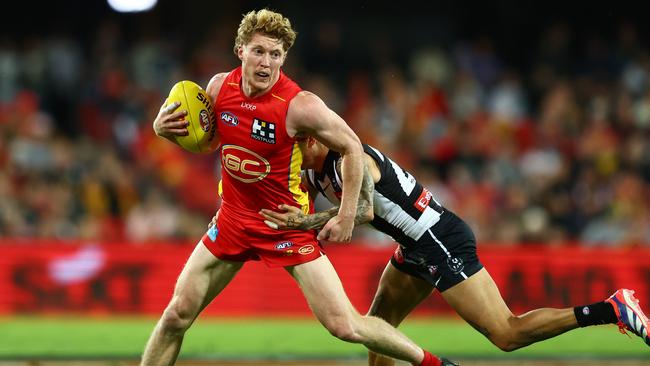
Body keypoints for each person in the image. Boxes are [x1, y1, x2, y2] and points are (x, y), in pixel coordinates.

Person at [144, 9, 456, 366]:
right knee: (175, 316)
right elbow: (215, 141)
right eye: (259, 51)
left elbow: (352, 146)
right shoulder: (217, 88)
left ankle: (434, 364)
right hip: (231, 219)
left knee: (345, 325)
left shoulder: (299, 105)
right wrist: (162, 129)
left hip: (284, 226)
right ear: (240, 50)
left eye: (275, 54)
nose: (267, 63)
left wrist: (346, 214)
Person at [260, 137, 650, 366]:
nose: (288, 155)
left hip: (439, 239)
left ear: (312, 140)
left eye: (293, 146)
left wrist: (303, 223)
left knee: (507, 334)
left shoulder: (351, 159)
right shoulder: (312, 170)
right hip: (412, 246)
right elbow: (296, 199)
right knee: (378, 330)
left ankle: (611, 309)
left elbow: (359, 212)